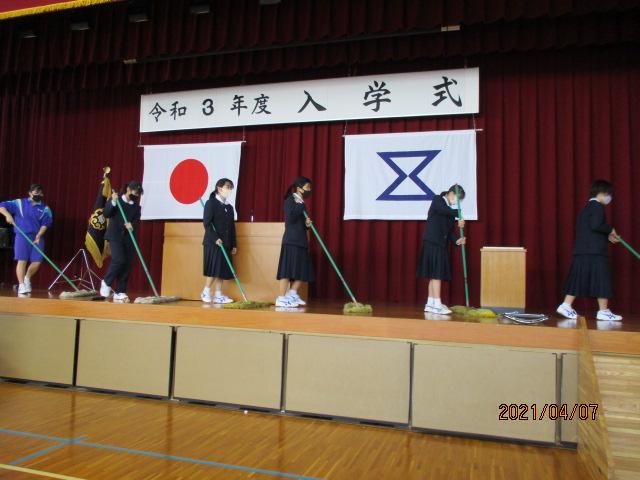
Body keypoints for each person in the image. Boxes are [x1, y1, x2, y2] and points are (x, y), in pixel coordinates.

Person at [557, 180, 622, 321]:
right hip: (595, 253)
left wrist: (607, 237)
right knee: (601, 279)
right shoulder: (597, 207)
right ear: (601, 193)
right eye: (608, 194)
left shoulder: (587, 208)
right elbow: (596, 225)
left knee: (579, 278)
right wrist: (610, 229)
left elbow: (591, 230)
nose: (609, 197)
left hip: (584, 251)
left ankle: (566, 305)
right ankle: (603, 311)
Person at [417, 184, 466, 314]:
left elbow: (450, 231)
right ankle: (437, 304)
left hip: (440, 243)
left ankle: (430, 303)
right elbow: (443, 210)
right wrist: (459, 214)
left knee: (434, 274)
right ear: (451, 193)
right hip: (432, 242)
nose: (457, 201)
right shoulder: (438, 200)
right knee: (436, 274)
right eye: (458, 198)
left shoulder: (449, 210)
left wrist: (457, 240)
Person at [0, 184, 52, 295]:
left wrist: (39, 235)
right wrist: (7, 215)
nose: (38, 195)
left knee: (37, 261)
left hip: (37, 237)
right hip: (22, 235)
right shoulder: (19, 203)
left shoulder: (45, 208)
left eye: (40, 193)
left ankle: (27, 278)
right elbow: (2, 206)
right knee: (22, 260)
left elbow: (46, 224)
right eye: (35, 193)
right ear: (30, 193)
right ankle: (21, 285)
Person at [99, 181, 143, 303]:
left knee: (127, 264)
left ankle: (120, 291)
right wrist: (113, 202)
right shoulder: (116, 199)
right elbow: (106, 213)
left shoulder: (136, 207)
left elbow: (137, 221)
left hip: (128, 237)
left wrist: (132, 225)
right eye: (135, 192)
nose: (136, 195)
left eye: (138, 194)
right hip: (115, 236)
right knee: (119, 260)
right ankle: (106, 282)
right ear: (128, 189)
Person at [276, 176, 314, 307]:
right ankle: (281, 298)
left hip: (301, 240)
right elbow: (290, 218)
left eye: (310, 187)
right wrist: (300, 205)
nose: (309, 190)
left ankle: (292, 293)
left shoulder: (300, 202)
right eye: (307, 187)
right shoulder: (291, 200)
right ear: (299, 188)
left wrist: (306, 224)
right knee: (287, 269)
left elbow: (299, 222)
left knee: (302, 269)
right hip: (291, 240)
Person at [201, 178, 237, 304]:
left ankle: (218, 294)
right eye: (227, 187)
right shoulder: (211, 203)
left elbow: (232, 227)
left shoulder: (229, 207)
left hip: (226, 243)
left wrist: (234, 244)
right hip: (213, 242)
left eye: (230, 187)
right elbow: (207, 223)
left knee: (221, 270)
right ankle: (206, 291)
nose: (229, 189)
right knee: (214, 268)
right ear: (219, 188)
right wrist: (215, 238)